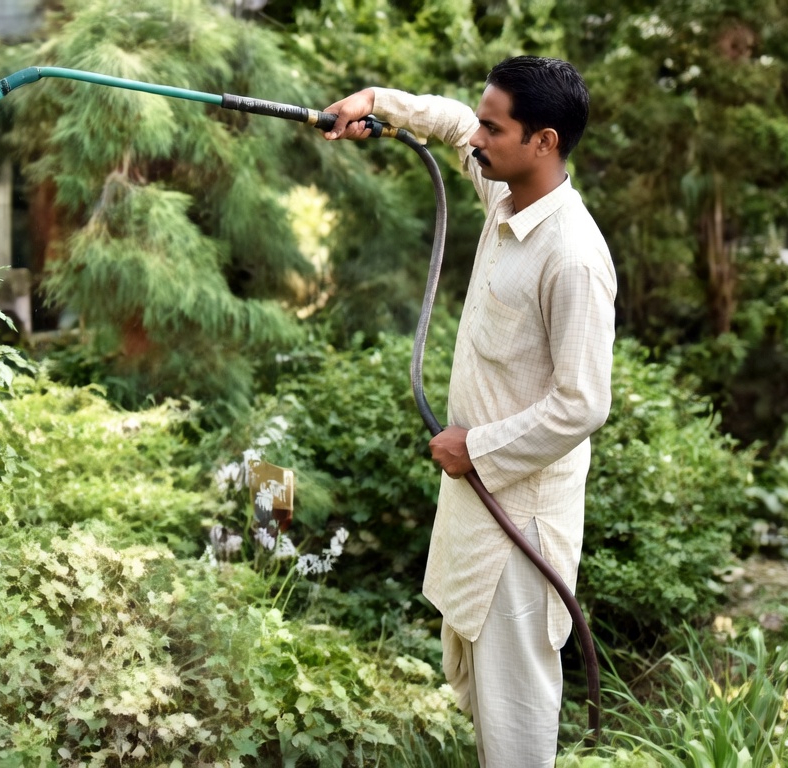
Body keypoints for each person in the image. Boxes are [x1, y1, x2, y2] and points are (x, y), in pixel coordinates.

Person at [322, 56, 616, 767]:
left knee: (516, 721)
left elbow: (584, 404)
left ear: (543, 141)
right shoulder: (504, 196)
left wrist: (476, 447)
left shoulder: (572, 256)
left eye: (495, 126)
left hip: (523, 523)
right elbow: (453, 124)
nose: (476, 139)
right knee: (482, 695)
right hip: (478, 508)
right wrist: (378, 102)